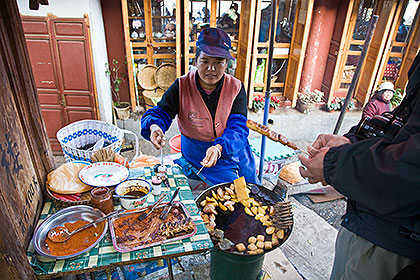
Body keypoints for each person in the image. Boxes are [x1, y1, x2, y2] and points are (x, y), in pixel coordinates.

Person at [298, 52, 420, 279]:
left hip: (397, 241)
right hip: (364, 218)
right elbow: (402, 132)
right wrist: (351, 142)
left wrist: (333, 164)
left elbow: (410, 169)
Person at [141, 27, 259, 186]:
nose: (211, 68)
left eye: (219, 62)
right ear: (195, 61)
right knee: (228, 189)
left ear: (226, 64)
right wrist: (155, 126)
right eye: (205, 61)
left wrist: (219, 147)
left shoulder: (236, 88)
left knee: (251, 190)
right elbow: (161, 112)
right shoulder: (182, 86)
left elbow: (238, 126)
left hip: (233, 147)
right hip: (198, 153)